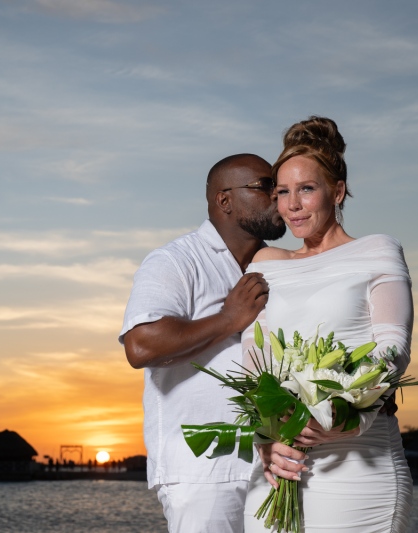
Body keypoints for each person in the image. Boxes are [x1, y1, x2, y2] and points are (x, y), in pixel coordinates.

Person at [241, 116, 414, 532]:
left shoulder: (377, 250)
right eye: (283, 192)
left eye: (306, 189)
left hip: (357, 464)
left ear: (336, 191)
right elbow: (252, 361)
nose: (292, 205)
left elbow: (393, 350)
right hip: (278, 463)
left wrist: (346, 416)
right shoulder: (266, 263)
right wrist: (265, 437)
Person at [119, 153, 287, 532]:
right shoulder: (175, 261)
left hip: (276, 464)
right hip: (203, 468)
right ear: (223, 200)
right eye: (265, 187)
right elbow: (141, 345)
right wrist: (228, 319)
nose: (279, 196)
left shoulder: (280, 266)